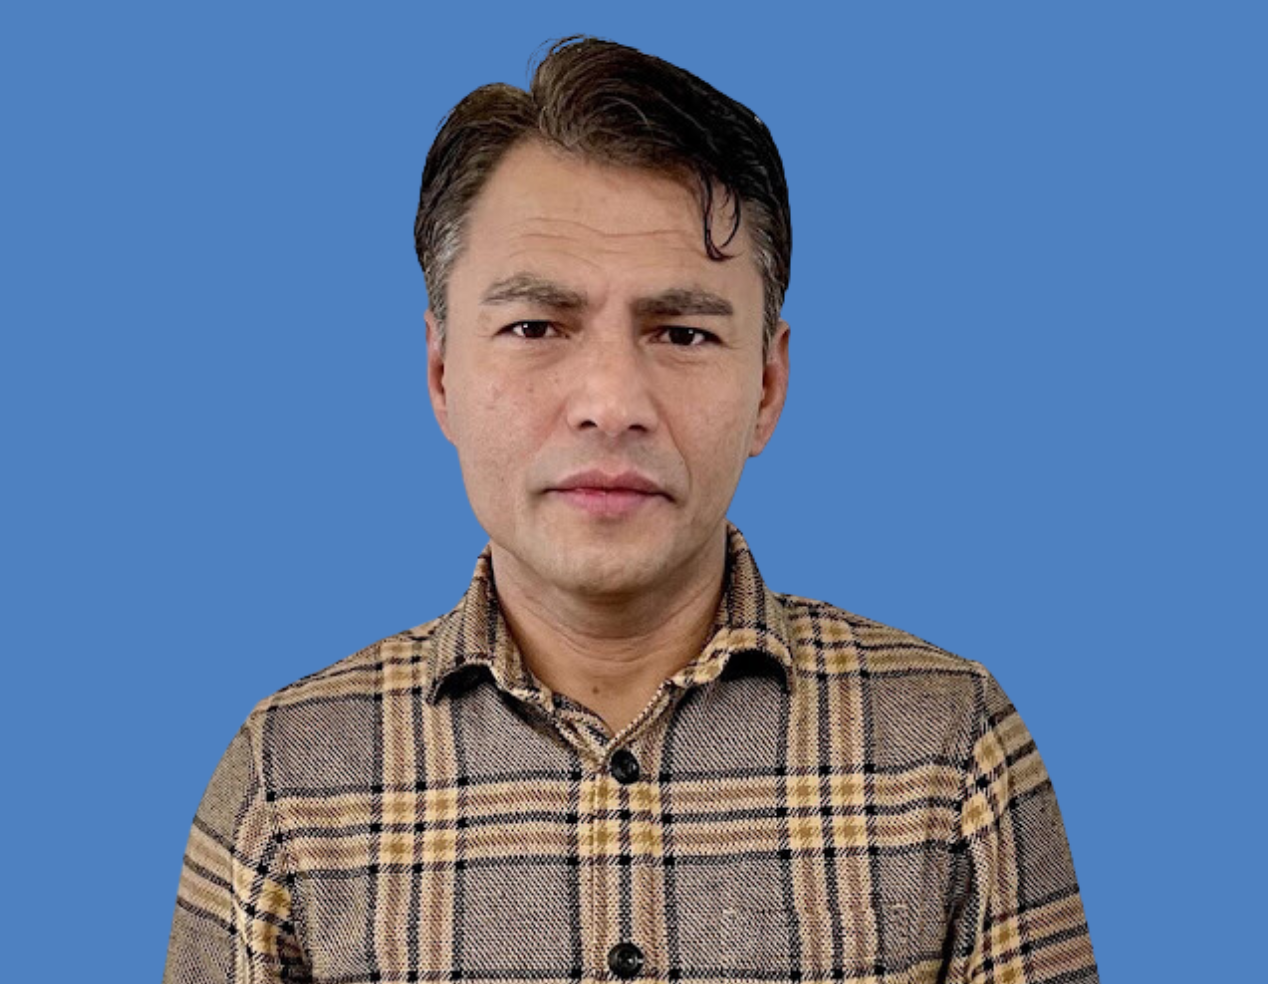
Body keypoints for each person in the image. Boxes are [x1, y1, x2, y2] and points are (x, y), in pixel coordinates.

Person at [164, 37, 1098, 984]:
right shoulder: (290, 782)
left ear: (768, 385)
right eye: (535, 326)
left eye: (682, 333)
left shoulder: (949, 756)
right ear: (442, 374)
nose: (611, 402)